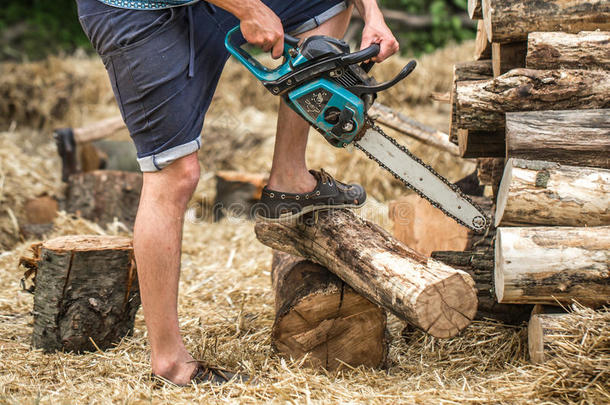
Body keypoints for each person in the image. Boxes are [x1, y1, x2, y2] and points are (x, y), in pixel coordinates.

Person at [76, 0, 399, 386]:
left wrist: (373, 14)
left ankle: (289, 178)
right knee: (175, 174)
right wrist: (247, 9)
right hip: (138, 11)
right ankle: (169, 362)